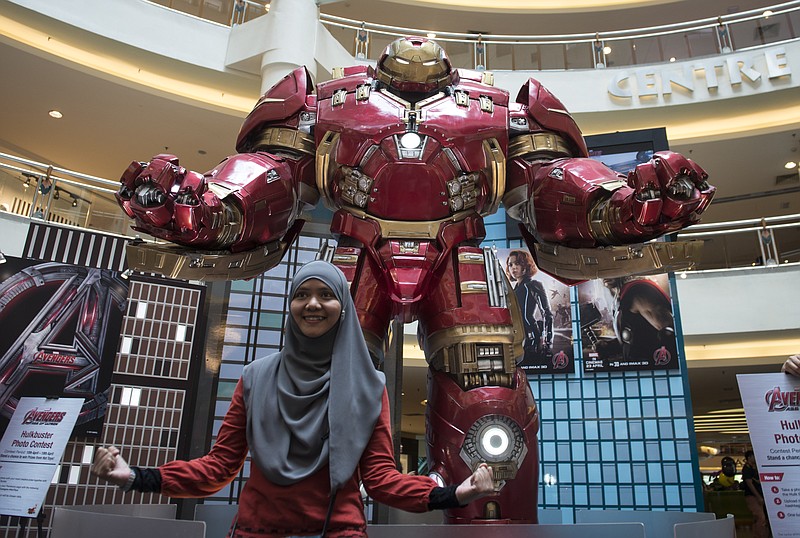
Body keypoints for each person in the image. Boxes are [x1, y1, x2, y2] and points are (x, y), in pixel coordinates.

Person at [91, 260, 494, 537]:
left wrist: (454, 494)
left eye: (326, 295)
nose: (313, 304)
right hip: (257, 532)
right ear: (291, 306)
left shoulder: (369, 386)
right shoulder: (255, 378)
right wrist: (135, 477)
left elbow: (381, 480)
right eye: (302, 295)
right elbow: (218, 468)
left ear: (344, 308)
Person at [506, 250, 553, 365]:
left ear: (525, 265)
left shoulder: (534, 285)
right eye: (510, 265)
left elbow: (547, 313)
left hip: (533, 339)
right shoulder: (513, 290)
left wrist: (547, 341)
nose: (514, 268)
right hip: (518, 340)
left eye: (517, 263)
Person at [742, 450, 769, 538]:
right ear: (749, 457)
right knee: (760, 517)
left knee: (760, 518)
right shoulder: (747, 469)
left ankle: (761, 534)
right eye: (754, 456)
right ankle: (760, 535)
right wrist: (758, 496)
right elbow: (749, 483)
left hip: (759, 496)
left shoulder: (755, 468)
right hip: (753, 496)